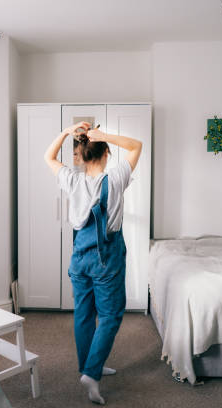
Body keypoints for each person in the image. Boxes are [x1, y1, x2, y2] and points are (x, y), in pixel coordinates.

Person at [44, 121, 142, 405]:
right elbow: (137, 146)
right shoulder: (116, 178)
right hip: (106, 259)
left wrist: (64, 132)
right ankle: (91, 372)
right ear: (106, 153)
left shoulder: (71, 180)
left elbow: (48, 157)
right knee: (110, 316)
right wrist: (105, 135)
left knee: (84, 314)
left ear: (81, 156)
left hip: (79, 260)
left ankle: (91, 365)